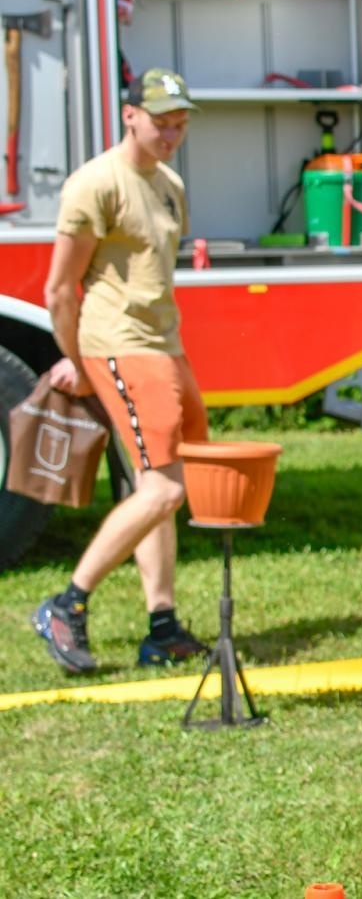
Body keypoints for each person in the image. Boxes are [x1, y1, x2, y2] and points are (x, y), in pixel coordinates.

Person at [33, 67, 210, 674]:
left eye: (180, 122)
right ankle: (66, 604)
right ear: (130, 115)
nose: (171, 133)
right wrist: (76, 360)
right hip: (120, 345)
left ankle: (161, 626)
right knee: (163, 488)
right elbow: (61, 288)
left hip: (164, 345)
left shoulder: (168, 184)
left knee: (157, 487)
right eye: (161, 121)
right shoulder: (95, 184)